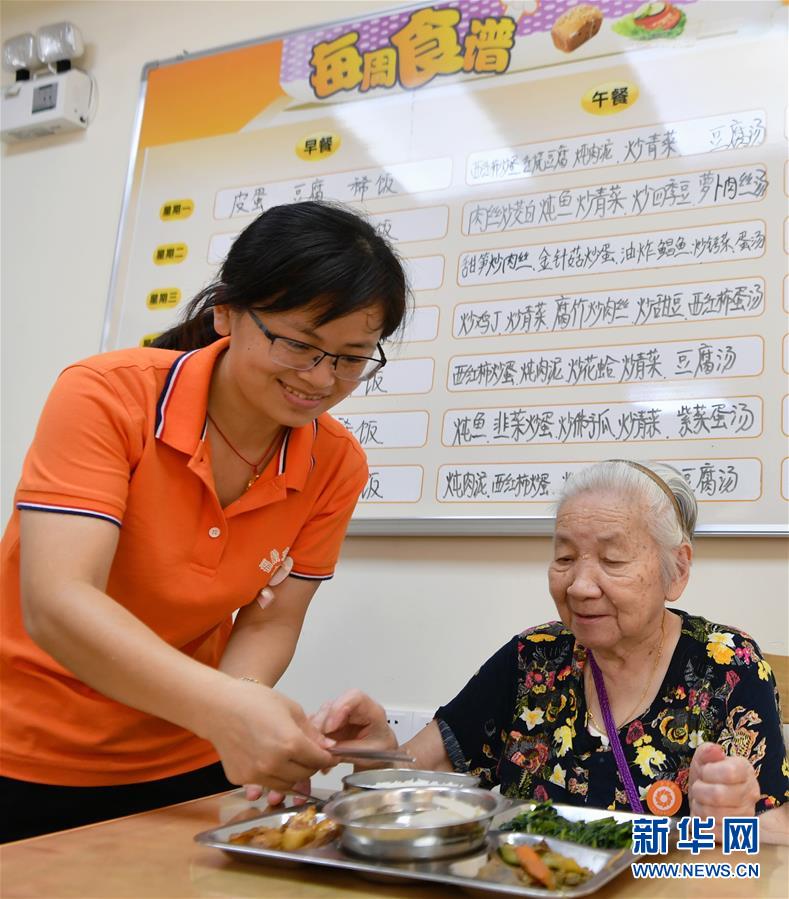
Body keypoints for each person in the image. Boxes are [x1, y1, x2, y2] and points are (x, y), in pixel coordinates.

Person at [0, 201, 408, 842]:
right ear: (225, 312)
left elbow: (272, 619)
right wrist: (228, 710)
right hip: (26, 756)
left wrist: (246, 718)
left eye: (352, 357)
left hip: (187, 762)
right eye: (298, 343)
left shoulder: (336, 463)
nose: (321, 378)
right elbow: (58, 600)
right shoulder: (106, 396)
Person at [312, 460, 789, 841]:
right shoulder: (532, 658)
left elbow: (774, 832)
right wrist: (376, 756)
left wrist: (735, 824)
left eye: (612, 559)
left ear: (677, 570)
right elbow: (419, 781)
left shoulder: (729, 665)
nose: (580, 586)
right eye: (564, 557)